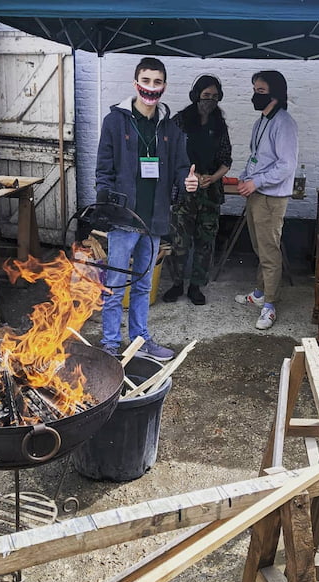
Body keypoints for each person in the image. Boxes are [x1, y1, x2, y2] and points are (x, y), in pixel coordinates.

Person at [96, 57, 198, 361]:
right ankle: (110, 344)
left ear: (164, 86)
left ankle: (140, 340)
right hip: (123, 219)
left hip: (153, 220)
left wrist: (188, 182)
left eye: (157, 82)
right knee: (115, 285)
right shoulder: (115, 122)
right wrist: (108, 208)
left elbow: (181, 168)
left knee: (142, 285)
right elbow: (103, 169)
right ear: (135, 83)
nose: (150, 88)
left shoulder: (170, 128)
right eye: (146, 81)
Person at [235, 70, 298, 330]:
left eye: (260, 91)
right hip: (257, 194)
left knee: (269, 251)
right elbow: (257, 157)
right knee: (260, 247)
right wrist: (243, 176)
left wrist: (256, 181)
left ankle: (270, 305)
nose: (254, 95)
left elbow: (286, 165)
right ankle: (261, 293)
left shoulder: (284, 123)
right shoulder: (261, 121)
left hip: (271, 198)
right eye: (254, 89)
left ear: (275, 93)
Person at [163, 74, 232, 306]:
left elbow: (226, 160)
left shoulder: (219, 125)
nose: (210, 101)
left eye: (214, 97)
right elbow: (168, 155)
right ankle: (176, 284)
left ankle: (196, 286)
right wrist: (187, 176)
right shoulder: (179, 122)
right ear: (195, 96)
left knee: (205, 241)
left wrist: (212, 178)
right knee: (179, 240)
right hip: (183, 191)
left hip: (210, 191)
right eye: (205, 96)